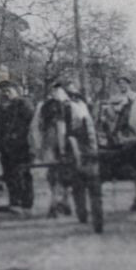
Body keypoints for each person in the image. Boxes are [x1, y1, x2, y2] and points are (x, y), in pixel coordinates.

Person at [31, 80, 98, 219]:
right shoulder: (44, 107)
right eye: (55, 90)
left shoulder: (77, 106)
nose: (57, 93)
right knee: (53, 173)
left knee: (70, 173)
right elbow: (37, 127)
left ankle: (64, 201)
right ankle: (56, 202)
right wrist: (38, 146)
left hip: (72, 144)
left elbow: (86, 126)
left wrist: (88, 147)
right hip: (52, 143)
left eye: (60, 90)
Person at [0, 78, 35, 213]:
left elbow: (31, 124)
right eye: (3, 91)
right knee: (9, 174)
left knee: (21, 173)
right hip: (6, 146)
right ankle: (14, 202)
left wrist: (19, 136)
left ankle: (26, 204)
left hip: (21, 146)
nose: (5, 94)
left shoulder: (24, 104)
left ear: (16, 91)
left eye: (8, 91)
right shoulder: (3, 107)